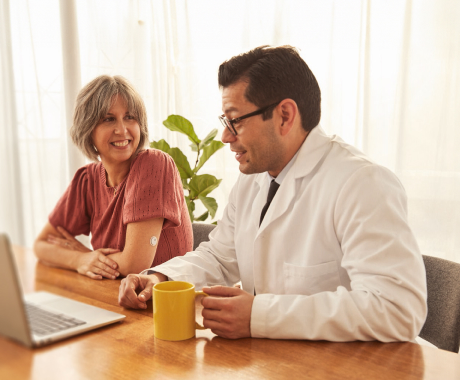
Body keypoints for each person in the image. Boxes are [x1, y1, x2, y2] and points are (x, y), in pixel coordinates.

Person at [118, 46, 428, 342]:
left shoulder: (361, 183)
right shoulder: (256, 178)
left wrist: (259, 315)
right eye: (225, 122)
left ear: (284, 116)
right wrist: (159, 279)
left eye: (235, 120)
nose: (226, 136)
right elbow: (221, 257)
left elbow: (396, 308)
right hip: (278, 362)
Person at [34, 75, 193, 280]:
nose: (122, 130)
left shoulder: (153, 165)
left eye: (130, 117)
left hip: (162, 303)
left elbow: (134, 265)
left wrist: (86, 255)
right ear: (88, 129)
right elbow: (42, 245)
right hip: (112, 295)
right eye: (109, 119)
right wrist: (79, 260)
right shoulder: (87, 179)